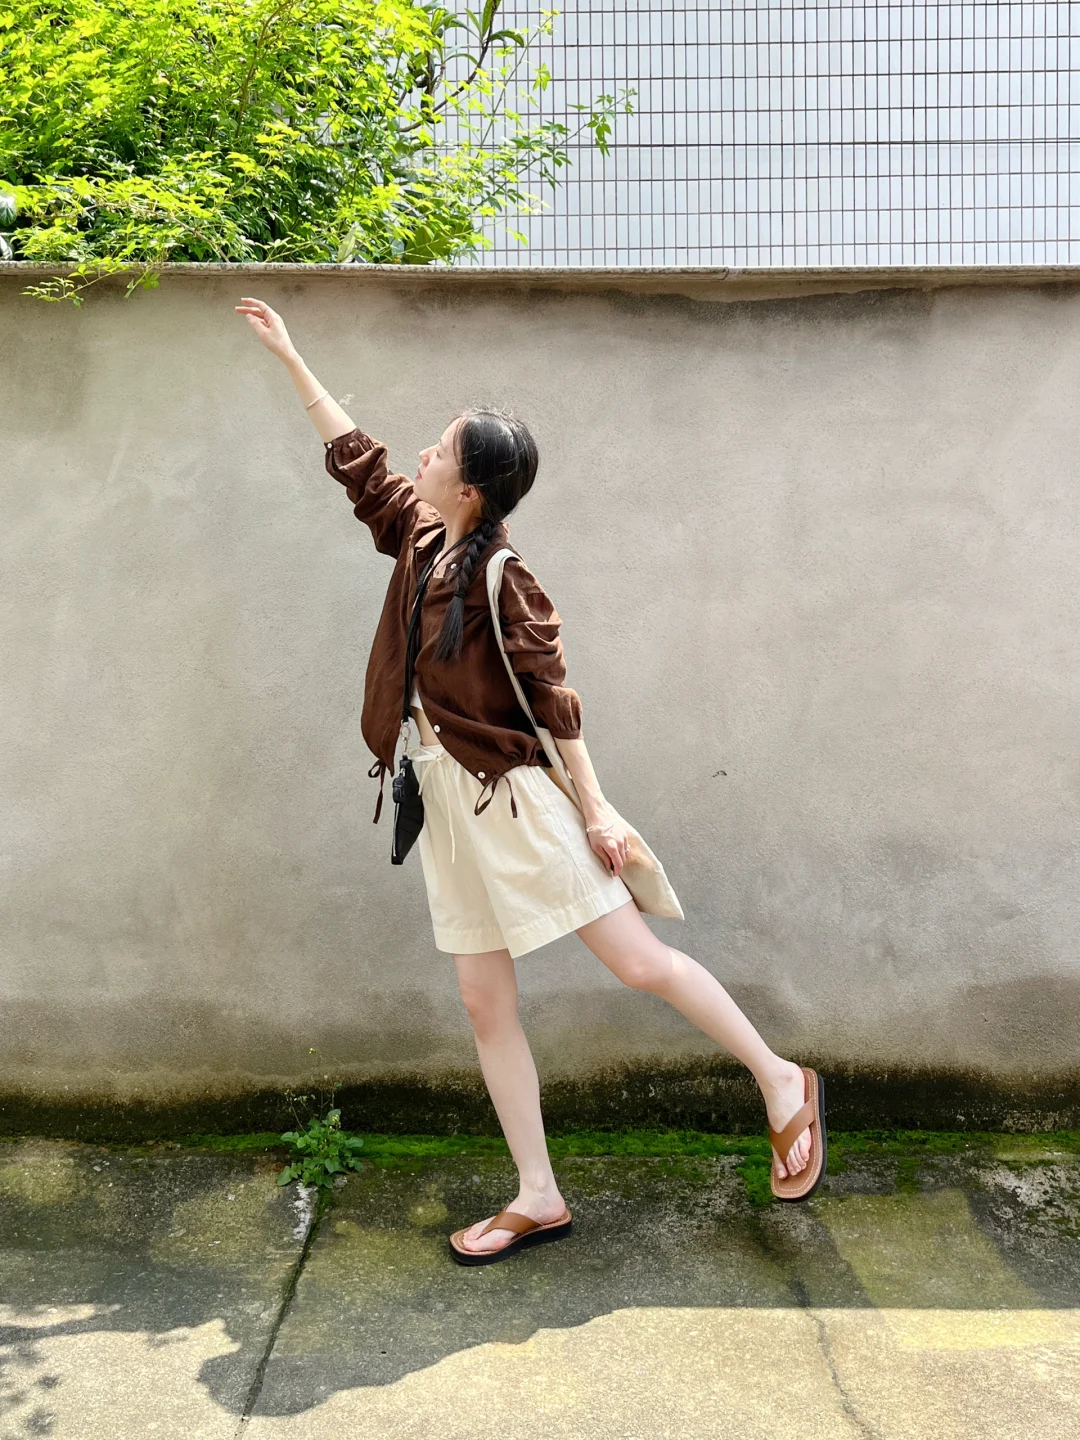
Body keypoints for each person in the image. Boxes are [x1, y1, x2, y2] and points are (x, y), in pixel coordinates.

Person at [236, 295, 827, 1265]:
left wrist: (597, 814)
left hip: (513, 802)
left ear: (470, 489)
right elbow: (359, 463)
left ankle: (779, 1079)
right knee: (485, 1004)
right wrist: (292, 357)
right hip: (448, 808)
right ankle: (539, 1194)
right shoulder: (420, 538)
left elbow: (557, 704)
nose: (420, 457)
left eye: (438, 451)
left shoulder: (504, 578)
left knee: (638, 963)